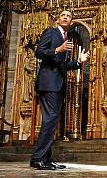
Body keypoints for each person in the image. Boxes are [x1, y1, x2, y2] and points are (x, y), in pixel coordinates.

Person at [30, 10, 89, 170]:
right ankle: (38, 158)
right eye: (63, 15)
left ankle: (45, 159)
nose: (65, 17)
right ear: (57, 20)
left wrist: (78, 62)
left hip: (57, 85)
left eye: (69, 16)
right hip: (48, 83)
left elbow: (63, 64)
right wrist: (57, 50)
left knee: (51, 121)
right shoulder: (50, 32)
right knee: (50, 120)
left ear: (71, 22)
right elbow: (39, 52)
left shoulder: (66, 39)